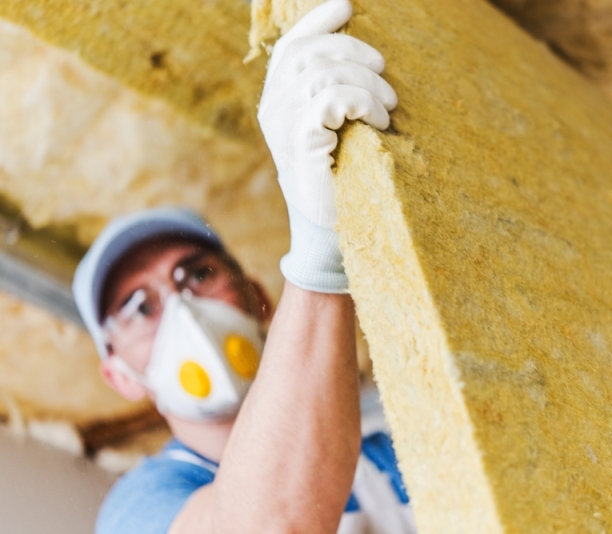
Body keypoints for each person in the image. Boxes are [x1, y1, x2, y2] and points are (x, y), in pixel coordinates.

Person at [72, 1, 414, 532]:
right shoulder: (140, 507)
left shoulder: (389, 463)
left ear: (259, 298)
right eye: (139, 307)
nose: (183, 308)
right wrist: (321, 254)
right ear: (121, 377)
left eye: (198, 274)